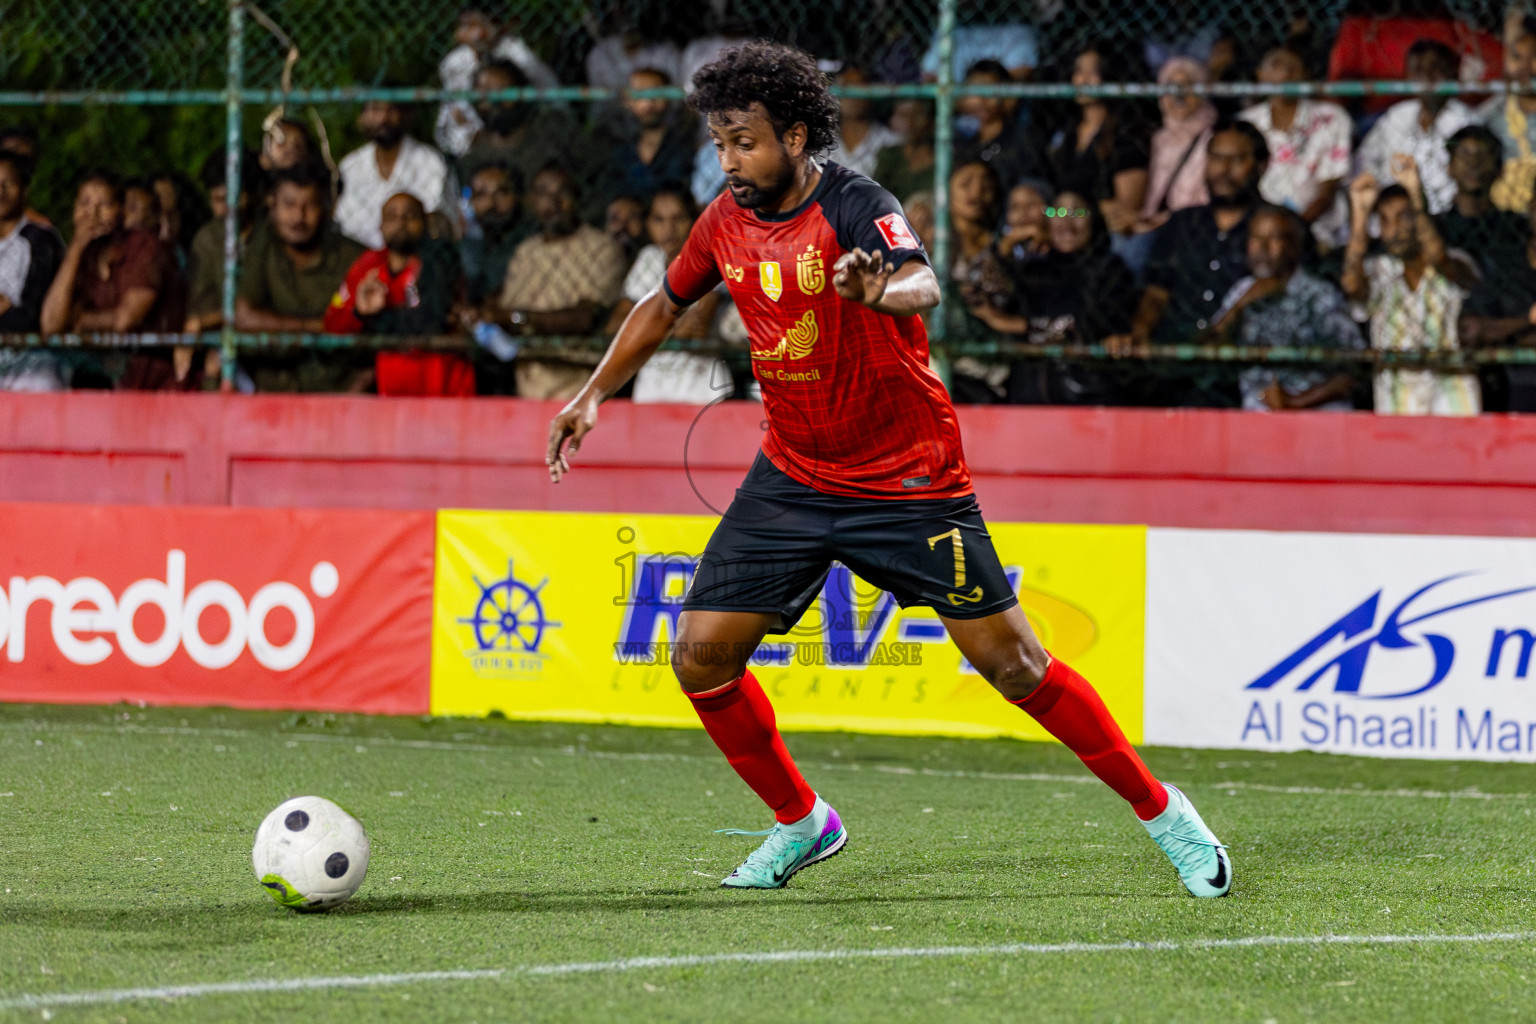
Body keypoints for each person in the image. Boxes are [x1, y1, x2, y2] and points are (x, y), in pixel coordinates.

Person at [545, 40, 1231, 898]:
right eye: (719, 143)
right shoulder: (723, 218)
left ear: (796, 136)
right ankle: (803, 823)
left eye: (745, 141)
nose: (730, 160)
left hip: (909, 480)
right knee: (700, 657)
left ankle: (1164, 811)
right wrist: (593, 394)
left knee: (1015, 665)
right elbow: (665, 302)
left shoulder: (857, 203)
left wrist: (876, 292)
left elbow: (922, 283)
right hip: (793, 474)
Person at [1342, 161, 1481, 416]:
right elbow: (1352, 284)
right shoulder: (1380, 270)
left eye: (1404, 217)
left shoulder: (1457, 262)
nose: (1394, 231)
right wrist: (1360, 215)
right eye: (1384, 221)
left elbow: (1439, 258)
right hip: (1397, 398)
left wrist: (1416, 195)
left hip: (1452, 396)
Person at [1116, 120, 1269, 347]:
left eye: (1236, 160)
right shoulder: (1181, 223)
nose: (1224, 170)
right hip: (1175, 347)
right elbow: (1156, 291)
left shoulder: (1279, 227)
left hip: (1244, 353)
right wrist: (1141, 331)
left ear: (1261, 165)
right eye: (1216, 158)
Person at [39, 170, 189, 390]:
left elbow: (124, 321)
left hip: (151, 377)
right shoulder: (82, 257)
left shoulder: (144, 247)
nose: (92, 214)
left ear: (121, 211)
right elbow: (51, 325)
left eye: (104, 205)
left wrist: (80, 321)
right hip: (100, 375)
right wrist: (76, 249)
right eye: (85, 204)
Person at [1208, 205, 1362, 411]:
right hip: (1257, 420)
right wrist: (1240, 306)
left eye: (1273, 238)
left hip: (1318, 420)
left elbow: (1355, 368)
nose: (1262, 248)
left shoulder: (1317, 294)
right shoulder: (1242, 290)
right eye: (1256, 238)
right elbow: (1208, 350)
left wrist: (1294, 402)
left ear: (1293, 246)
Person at [495, 164, 626, 400]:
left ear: (576, 198)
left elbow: (585, 317)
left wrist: (521, 317)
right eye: (543, 194)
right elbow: (504, 312)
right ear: (531, 201)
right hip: (528, 384)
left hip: (580, 385)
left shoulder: (602, 248)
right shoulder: (525, 252)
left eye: (562, 193)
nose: (553, 203)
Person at [235, 163, 369, 391]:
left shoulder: (355, 257)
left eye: (310, 206)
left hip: (340, 394)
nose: (298, 216)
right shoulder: (262, 244)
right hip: (275, 394)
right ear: (272, 205)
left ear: (326, 208)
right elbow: (243, 317)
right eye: (289, 204)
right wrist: (318, 326)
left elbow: (375, 339)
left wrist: (349, 398)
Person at [324, 192, 471, 397]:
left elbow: (431, 322)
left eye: (410, 216)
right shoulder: (368, 267)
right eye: (391, 217)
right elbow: (332, 323)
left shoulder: (439, 262)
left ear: (425, 223)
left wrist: (377, 319)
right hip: (392, 390)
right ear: (381, 227)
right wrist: (359, 311)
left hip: (443, 385)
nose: (401, 222)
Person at [604, 189, 726, 404]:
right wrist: (667, 327)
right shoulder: (649, 258)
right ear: (648, 224)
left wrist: (642, 327)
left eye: (678, 219)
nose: (668, 229)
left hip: (699, 385)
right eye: (659, 220)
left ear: (693, 219)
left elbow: (694, 328)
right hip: (652, 382)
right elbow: (616, 324)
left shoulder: (710, 258)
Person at [1238, 43, 1352, 246]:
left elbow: (1327, 190)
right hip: (1258, 231)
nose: (1286, 73)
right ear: (1261, 75)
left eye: (1294, 66)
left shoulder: (1331, 118)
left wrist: (1291, 230)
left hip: (1318, 231)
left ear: (1307, 74)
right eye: (1277, 65)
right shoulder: (1246, 124)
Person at [1356, 41, 1476, 216]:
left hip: (1444, 218)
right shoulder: (1397, 116)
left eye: (1436, 70)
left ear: (1452, 73)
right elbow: (1366, 160)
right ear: (1408, 76)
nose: (1427, 79)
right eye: (1418, 71)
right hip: (1391, 215)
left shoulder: (1466, 122)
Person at [1046, 42, 1149, 238]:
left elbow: (1125, 215)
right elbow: (1048, 210)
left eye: (1093, 72)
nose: (1082, 80)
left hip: (1107, 236)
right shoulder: (1065, 133)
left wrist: (1071, 211)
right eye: (1078, 71)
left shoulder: (1126, 136)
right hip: (1064, 233)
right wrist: (1087, 208)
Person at [1434, 124, 1530, 310]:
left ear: (1499, 170)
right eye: (1464, 154)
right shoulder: (1437, 227)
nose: (1473, 163)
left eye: (1483, 155)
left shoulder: (1519, 228)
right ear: (1450, 168)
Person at [334, 100, 453, 249]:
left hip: (417, 255)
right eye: (376, 109)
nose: (383, 118)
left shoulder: (430, 162)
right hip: (358, 258)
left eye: (391, 110)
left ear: (405, 114)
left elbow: (436, 221)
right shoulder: (350, 166)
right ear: (362, 117)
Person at [1459, 190, 1536, 411]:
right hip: (1511, 391)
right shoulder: (1502, 264)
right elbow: (1471, 331)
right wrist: (1528, 320)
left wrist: (1506, 336)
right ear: (1531, 208)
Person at [0, 151, 67, 391]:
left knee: (46, 385)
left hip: (31, 361)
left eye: (8, 183)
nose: (1, 191)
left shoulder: (42, 240)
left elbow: (33, 312)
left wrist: (10, 309)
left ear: (24, 190)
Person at [1138, 56, 1218, 225]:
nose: (1178, 95)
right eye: (1171, 87)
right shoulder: (1157, 139)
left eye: (1186, 86)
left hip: (1191, 226)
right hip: (1150, 224)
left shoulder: (1213, 140)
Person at [602, 67, 698, 206]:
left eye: (656, 93)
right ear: (627, 101)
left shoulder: (684, 147)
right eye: (639, 94)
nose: (648, 103)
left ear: (669, 97)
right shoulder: (619, 149)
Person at [954, 60, 1045, 193]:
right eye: (975, 89)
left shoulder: (1022, 141)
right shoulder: (963, 145)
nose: (980, 98)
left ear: (1007, 97)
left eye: (989, 90)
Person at [1484, 15, 1536, 213]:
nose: (1525, 68)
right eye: (1517, 57)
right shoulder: (1489, 117)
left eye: (1534, 58)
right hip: (1503, 219)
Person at [459, 163, 530, 308]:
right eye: (481, 194)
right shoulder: (466, 246)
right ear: (471, 201)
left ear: (517, 196)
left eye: (502, 192)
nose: (491, 202)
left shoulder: (532, 241)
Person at [829, 66, 901, 179]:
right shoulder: (824, 141)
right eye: (844, 84)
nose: (850, 93)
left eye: (856, 84)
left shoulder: (890, 142)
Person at [872, 99, 935, 202]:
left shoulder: (942, 158)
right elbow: (876, 197)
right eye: (902, 115)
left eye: (917, 115)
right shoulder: (889, 156)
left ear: (931, 120)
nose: (909, 122)